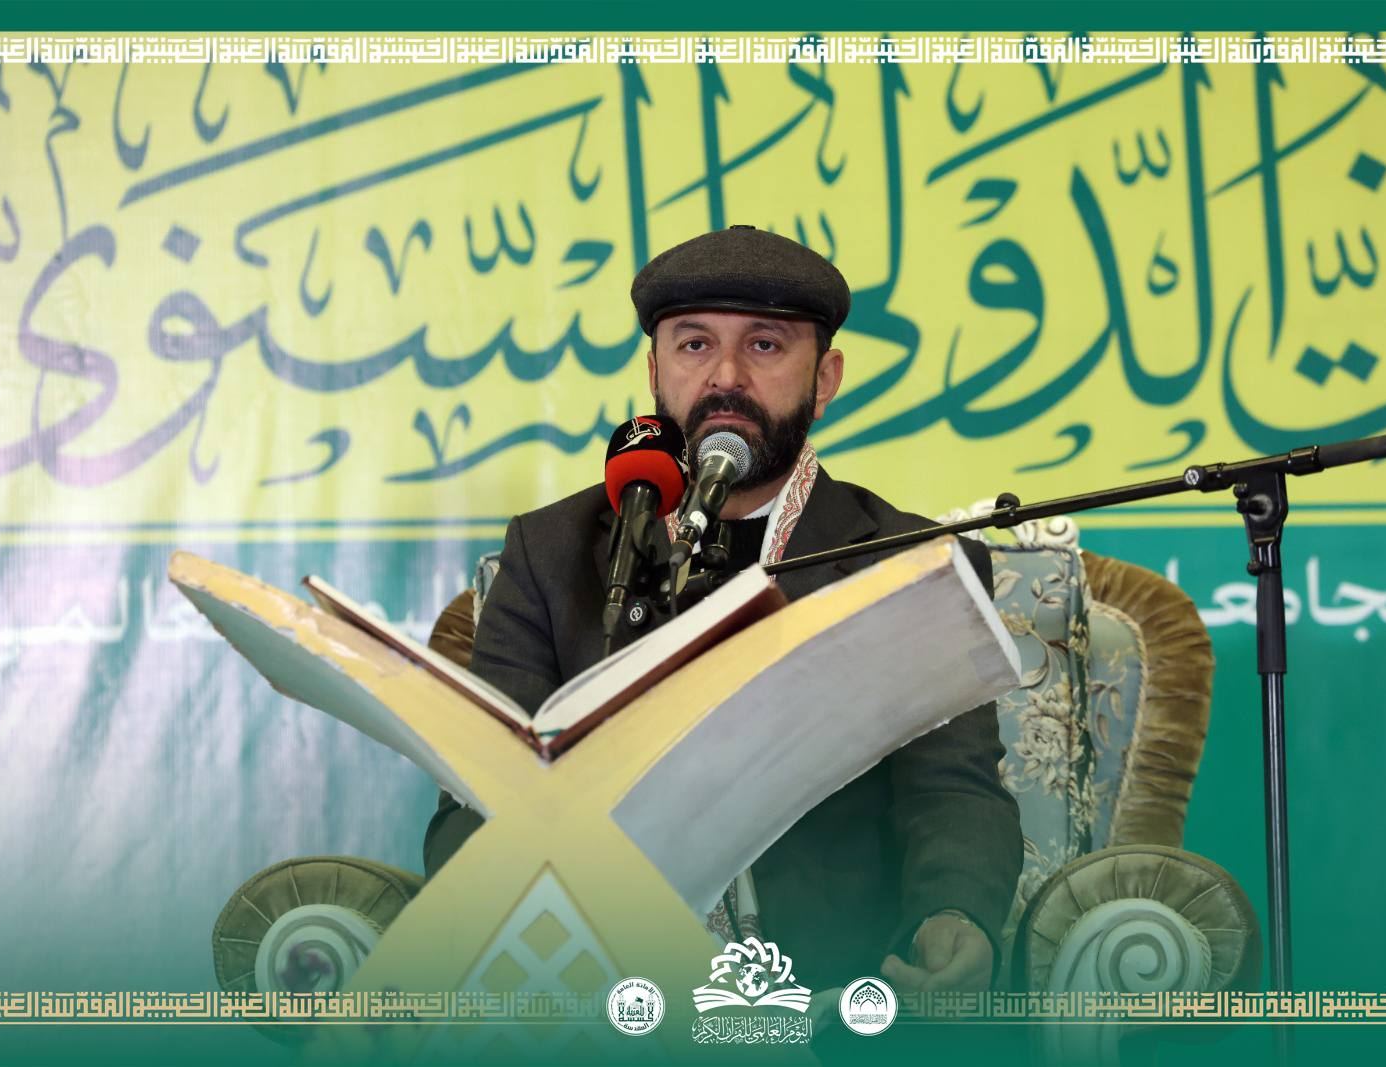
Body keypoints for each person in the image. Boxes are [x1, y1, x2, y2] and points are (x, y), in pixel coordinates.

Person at [424, 226, 1023, 993]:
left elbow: (954, 788)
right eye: (695, 345)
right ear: (655, 371)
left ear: (826, 378)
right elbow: (476, 800)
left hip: (833, 999)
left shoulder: (908, 563)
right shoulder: (550, 553)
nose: (726, 377)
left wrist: (954, 911)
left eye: (765, 345)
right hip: (601, 993)